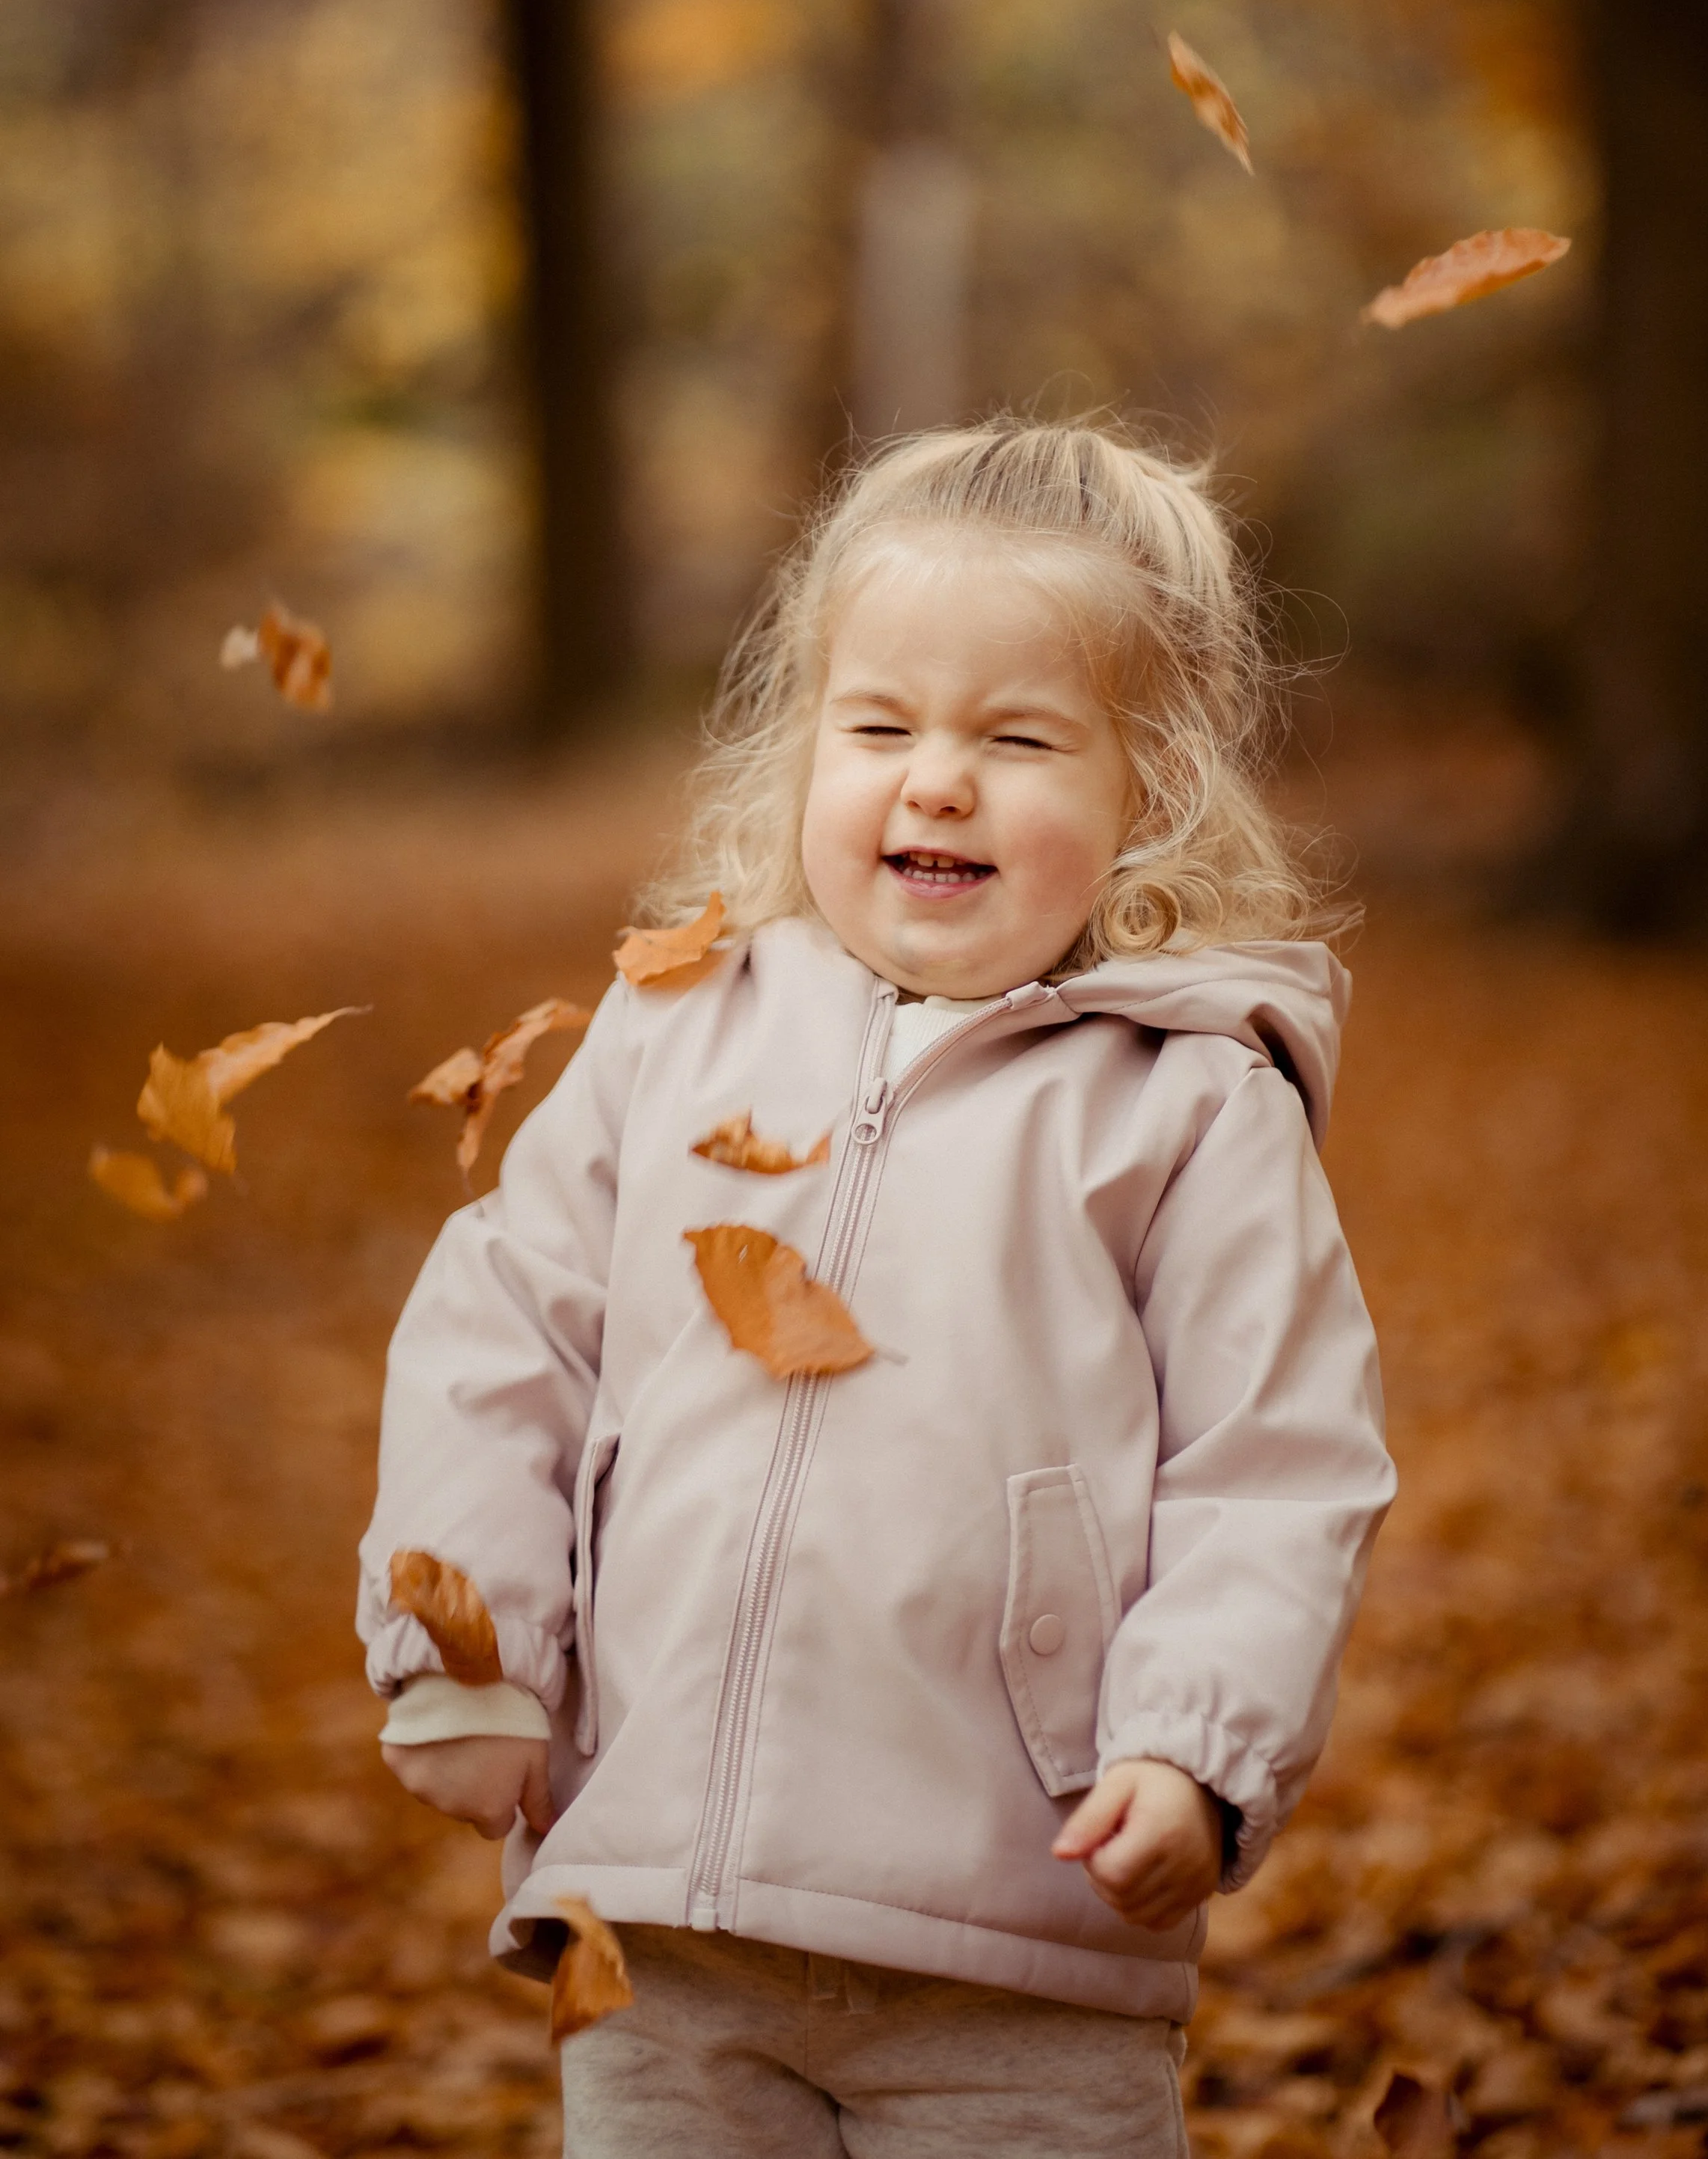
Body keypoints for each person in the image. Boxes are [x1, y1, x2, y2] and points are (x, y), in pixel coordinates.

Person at [361, 417, 1395, 2158]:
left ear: (1150, 792)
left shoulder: (1185, 1103)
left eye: (1016, 738)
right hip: (664, 1913)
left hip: (1017, 1942)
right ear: (800, 748)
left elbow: (1273, 1466)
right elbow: (506, 1323)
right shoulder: (675, 1025)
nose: (935, 781)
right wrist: (465, 1644)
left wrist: (1197, 1753)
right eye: (880, 728)